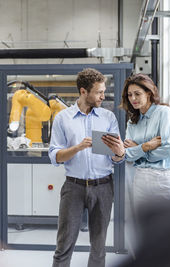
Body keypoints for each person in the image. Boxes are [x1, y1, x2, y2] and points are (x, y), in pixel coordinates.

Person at [49, 68, 125, 267]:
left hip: (103, 187)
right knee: (64, 244)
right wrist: (78, 147)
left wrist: (119, 153)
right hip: (73, 187)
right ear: (84, 92)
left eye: (103, 91)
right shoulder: (62, 118)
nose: (103, 96)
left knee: (99, 247)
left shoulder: (108, 118)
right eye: (99, 92)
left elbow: (116, 159)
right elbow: (55, 156)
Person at [119, 73, 170, 209]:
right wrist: (146, 146)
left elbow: (168, 149)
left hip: (164, 178)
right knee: (145, 228)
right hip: (140, 179)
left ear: (148, 93)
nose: (133, 98)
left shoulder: (163, 112)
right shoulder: (132, 122)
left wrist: (139, 150)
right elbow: (127, 155)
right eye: (129, 95)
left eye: (137, 94)